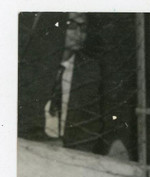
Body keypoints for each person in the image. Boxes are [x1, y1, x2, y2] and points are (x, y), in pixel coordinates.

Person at [18, 12, 105, 153]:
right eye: (71, 25)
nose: (78, 32)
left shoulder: (89, 71)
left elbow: (90, 126)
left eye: (83, 27)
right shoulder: (32, 67)